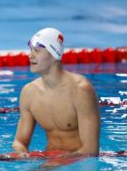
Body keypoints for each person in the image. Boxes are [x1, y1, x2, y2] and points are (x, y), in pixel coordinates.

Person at [12, 28, 101, 166]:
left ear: (54, 54)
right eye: (31, 50)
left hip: (77, 163)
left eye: (37, 51)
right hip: (48, 160)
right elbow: (19, 142)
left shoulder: (80, 90)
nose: (30, 56)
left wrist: (52, 165)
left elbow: (90, 150)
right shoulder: (29, 93)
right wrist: (21, 152)